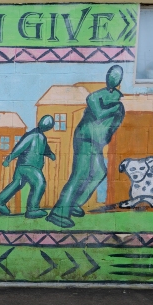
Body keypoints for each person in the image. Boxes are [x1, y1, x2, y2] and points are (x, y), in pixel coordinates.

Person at [47, 65, 125, 228]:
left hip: (96, 143)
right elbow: (99, 113)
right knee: (80, 173)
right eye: (112, 75)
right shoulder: (94, 97)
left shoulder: (118, 102)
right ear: (107, 77)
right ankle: (58, 213)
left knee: (99, 172)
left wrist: (106, 136)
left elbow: (113, 126)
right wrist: (116, 108)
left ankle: (75, 203)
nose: (114, 78)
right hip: (84, 138)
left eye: (117, 76)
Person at [0, 115, 56, 219]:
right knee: (40, 183)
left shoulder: (41, 137)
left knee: (17, 184)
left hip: (23, 167)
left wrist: (51, 155)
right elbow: (20, 147)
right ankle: (32, 209)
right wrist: (9, 158)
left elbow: (45, 150)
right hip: (30, 166)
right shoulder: (33, 135)